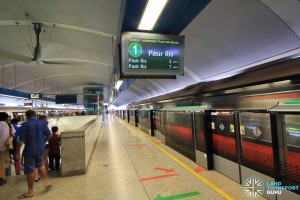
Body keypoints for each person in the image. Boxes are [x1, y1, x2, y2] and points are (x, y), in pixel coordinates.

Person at [16, 110, 52, 199]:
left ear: (27, 116)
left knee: (30, 171)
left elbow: (21, 141)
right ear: (35, 115)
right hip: (40, 149)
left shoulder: (25, 125)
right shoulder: (42, 123)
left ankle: (30, 191)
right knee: (40, 164)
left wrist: (17, 152)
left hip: (30, 150)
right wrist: (44, 141)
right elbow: (49, 135)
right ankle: (47, 182)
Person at [0, 112, 15, 186]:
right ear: (6, 118)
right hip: (4, 147)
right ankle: (2, 178)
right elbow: (13, 134)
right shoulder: (9, 125)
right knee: (3, 163)